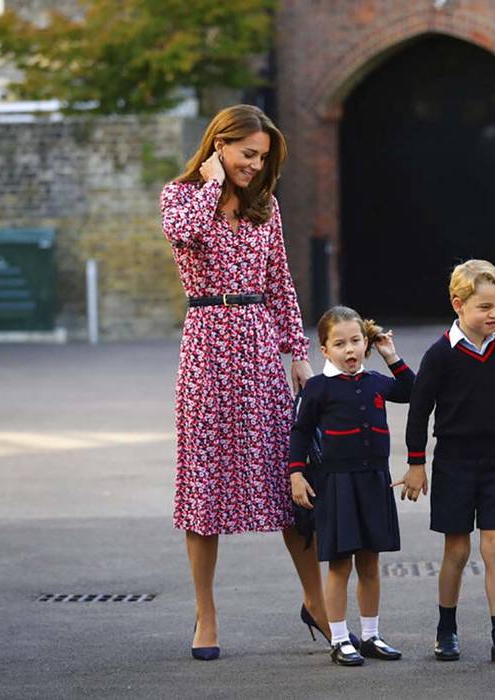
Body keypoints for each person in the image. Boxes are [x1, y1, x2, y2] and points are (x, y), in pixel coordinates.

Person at [161, 104, 329, 660]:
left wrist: (297, 353)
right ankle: (205, 615)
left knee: (289, 481)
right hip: (207, 345)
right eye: (246, 154)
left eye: (262, 157)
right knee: (203, 488)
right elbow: (182, 235)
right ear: (219, 146)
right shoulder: (182, 196)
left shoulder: (267, 208)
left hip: (258, 347)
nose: (255, 165)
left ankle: (316, 603)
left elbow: (280, 281)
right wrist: (210, 186)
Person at [399, 260, 495, 665]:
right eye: (485, 307)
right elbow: (419, 410)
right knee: (458, 550)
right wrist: (416, 463)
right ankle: (446, 630)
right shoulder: (439, 355)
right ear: (458, 305)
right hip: (453, 461)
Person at [287, 306, 414, 666]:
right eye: (339, 344)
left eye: (356, 341)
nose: (349, 350)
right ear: (324, 350)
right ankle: (340, 638)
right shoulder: (317, 388)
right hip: (336, 485)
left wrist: (391, 355)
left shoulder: (374, 381)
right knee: (340, 565)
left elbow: (412, 390)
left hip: (374, 481)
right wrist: (297, 474)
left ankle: (372, 635)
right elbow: (299, 433)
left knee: (371, 564)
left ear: (365, 343)